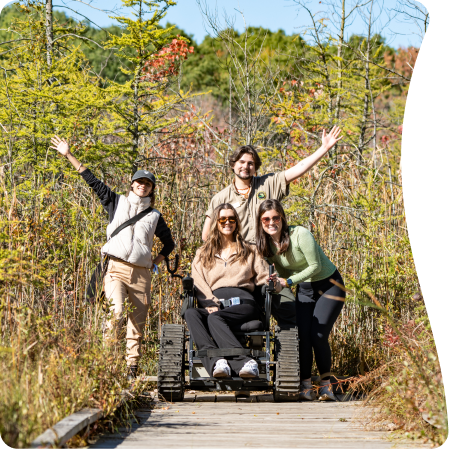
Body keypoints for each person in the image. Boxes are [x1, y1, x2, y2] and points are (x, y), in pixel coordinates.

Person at [50, 136, 175, 379]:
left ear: (152, 189)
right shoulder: (116, 201)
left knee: (137, 324)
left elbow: (169, 243)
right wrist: (68, 154)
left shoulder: (155, 216)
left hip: (141, 274)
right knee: (116, 313)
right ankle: (106, 364)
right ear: (131, 185)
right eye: (139, 182)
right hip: (115, 269)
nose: (143, 186)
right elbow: (92, 181)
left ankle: (132, 368)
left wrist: (154, 263)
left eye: (147, 184)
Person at [202, 126, 343, 329]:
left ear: (256, 167)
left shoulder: (267, 184)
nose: (246, 166)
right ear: (233, 164)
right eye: (241, 162)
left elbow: (299, 168)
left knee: (289, 310)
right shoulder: (221, 198)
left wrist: (324, 148)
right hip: (235, 264)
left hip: (264, 263)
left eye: (251, 163)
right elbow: (207, 235)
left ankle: (286, 350)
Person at [256, 199, 346, 401]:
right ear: (260, 222)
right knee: (302, 337)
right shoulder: (266, 244)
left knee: (318, 335)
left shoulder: (300, 234)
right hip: (305, 288)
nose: (272, 222)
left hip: (329, 286)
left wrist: (286, 282)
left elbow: (314, 266)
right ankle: (305, 386)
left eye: (276, 217)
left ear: (283, 218)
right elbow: (277, 271)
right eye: (266, 219)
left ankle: (326, 385)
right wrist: (275, 281)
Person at [185, 203, 281, 379]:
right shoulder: (203, 253)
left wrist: (271, 280)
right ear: (216, 222)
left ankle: (245, 361)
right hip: (214, 305)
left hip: (243, 304)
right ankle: (217, 362)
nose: (227, 222)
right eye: (223, 219)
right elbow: (198, 282)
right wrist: (209, 302)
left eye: (231, 219)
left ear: (237, 222)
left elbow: (262, 277)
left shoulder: (250, 249)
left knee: (215, 317)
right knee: (191, 313)